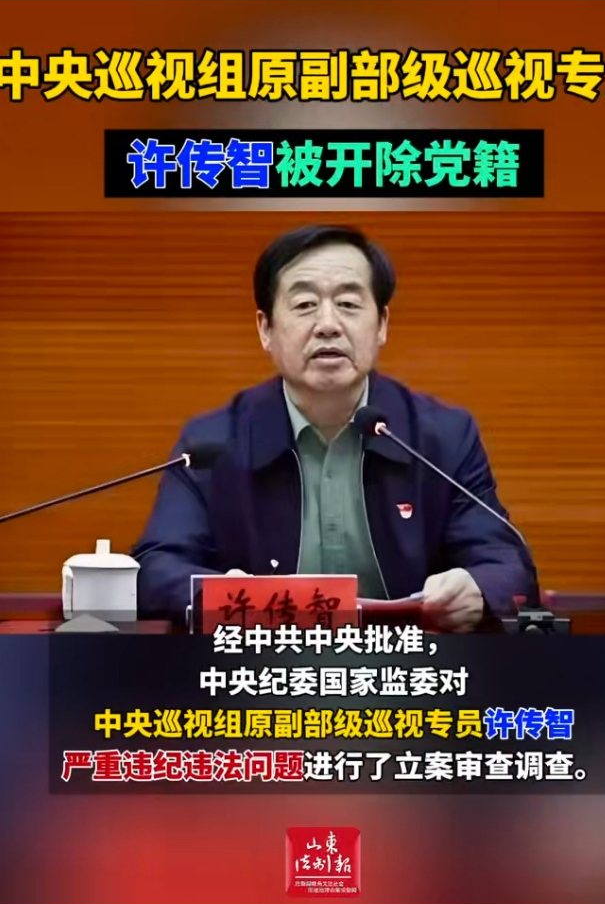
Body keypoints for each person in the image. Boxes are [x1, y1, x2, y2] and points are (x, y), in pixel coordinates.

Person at [133, 224, 537, 629]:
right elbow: (155, 568)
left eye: (347, 303)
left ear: (381, 324)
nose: (328, 324)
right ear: (265, 329)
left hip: (407, 663)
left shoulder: (443, 437)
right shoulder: (212, 444)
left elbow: (506, 563)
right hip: (260, 662)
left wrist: (477, 588)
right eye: (305, 304)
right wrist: (218, 595)